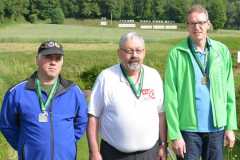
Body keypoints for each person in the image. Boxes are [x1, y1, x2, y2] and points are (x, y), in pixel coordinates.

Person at [164, 4, 237, 160]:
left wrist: (230, 127)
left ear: (208, 24)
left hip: (217, 129)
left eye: (201, 23)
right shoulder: (176, 54)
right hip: (188, 131)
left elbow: (229, 91)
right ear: (186, 26)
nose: (197, 27)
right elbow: (170, 97)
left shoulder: (221, 51)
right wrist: (175, 134)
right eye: (192, 23)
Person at [0, 41, 88, 160]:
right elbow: (7, 125)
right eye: (48, 57)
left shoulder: (75, 92)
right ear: (37, 59)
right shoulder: (17, 92)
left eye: (58, 59)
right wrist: (25, 147)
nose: (53, 62)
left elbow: (81, 123)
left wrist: (66, 144)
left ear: (62, 62)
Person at [87, 32, 168, 160]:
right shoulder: (106, 77)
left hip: (150, 154)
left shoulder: (154, 76)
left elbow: (161, 114)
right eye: (129, 51)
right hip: (114, 154)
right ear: (119, 53)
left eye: (138, 50)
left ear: (144, 52)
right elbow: (93, 116)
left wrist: (163, 145)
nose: (134, 55)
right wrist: (94, 152)